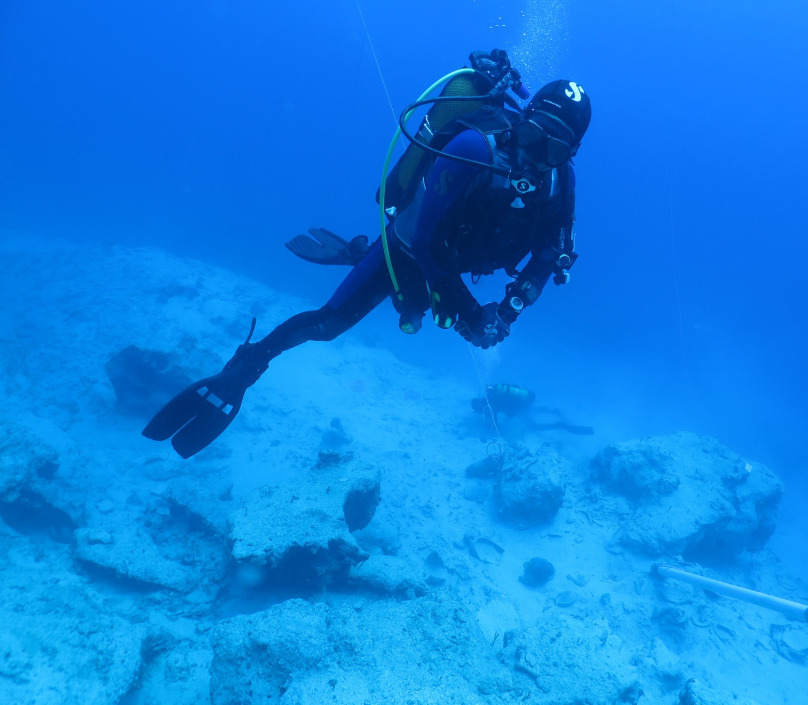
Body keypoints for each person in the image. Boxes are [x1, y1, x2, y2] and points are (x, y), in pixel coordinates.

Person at [143, 49, 592, 458]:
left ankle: (373, 265)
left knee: (416, 312)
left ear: (570, 152)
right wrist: (472, 313)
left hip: (451, 271)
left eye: (554, 148)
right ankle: (244, 369)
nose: (537, 155)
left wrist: (505, 314)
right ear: (522, 120)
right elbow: (423, 240)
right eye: (533, 135)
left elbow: (549, 256)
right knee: (327, 325)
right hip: (408, 250)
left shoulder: (561, 181)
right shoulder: (473, 148)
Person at [471, 383, 594, 436]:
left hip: (518, 408)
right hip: (520, 402)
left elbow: (495, 426)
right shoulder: (490, 395)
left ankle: (560, 425)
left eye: (479, 411)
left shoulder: (489, 405)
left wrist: (488, 429)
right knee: (534, 410)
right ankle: (554, 411)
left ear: (480, 406)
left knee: (534, 427)